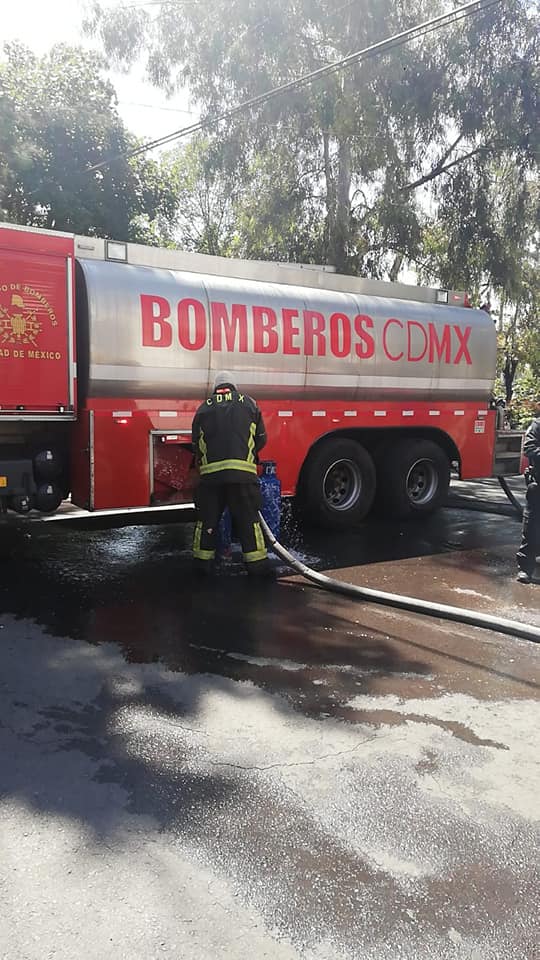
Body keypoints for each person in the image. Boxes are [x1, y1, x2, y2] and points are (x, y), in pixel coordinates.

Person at [191, 371, 272, 577]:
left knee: (207, 522)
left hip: (211, 479)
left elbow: (196, 446)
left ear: (215, 387)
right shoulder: (249, 404)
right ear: (234, 385)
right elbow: (261, 438)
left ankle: (201, 567)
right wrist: (249, 455)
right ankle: (257, 569)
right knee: (248, 522)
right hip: (242, 477)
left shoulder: (203, 408)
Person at [516, 412, 540, 584]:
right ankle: (525, 568)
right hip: (538, 484)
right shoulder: (537, 425)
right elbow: (529, 448)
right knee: (531, 527)